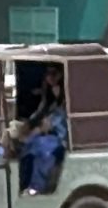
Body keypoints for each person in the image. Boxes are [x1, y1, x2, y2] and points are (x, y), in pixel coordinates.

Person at [14, 67, 69, 195]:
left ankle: (37, 187)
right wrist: (26, 127)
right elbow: (39, 114)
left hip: (62, 139)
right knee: (26, 144)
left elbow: (50, 123)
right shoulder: (49, 97)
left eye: (53, 74)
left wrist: (32, 133)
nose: (50, 78)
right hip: (47, 134)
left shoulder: (67, 98)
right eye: (48, 74)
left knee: (41, 146)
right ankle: (22, 182)